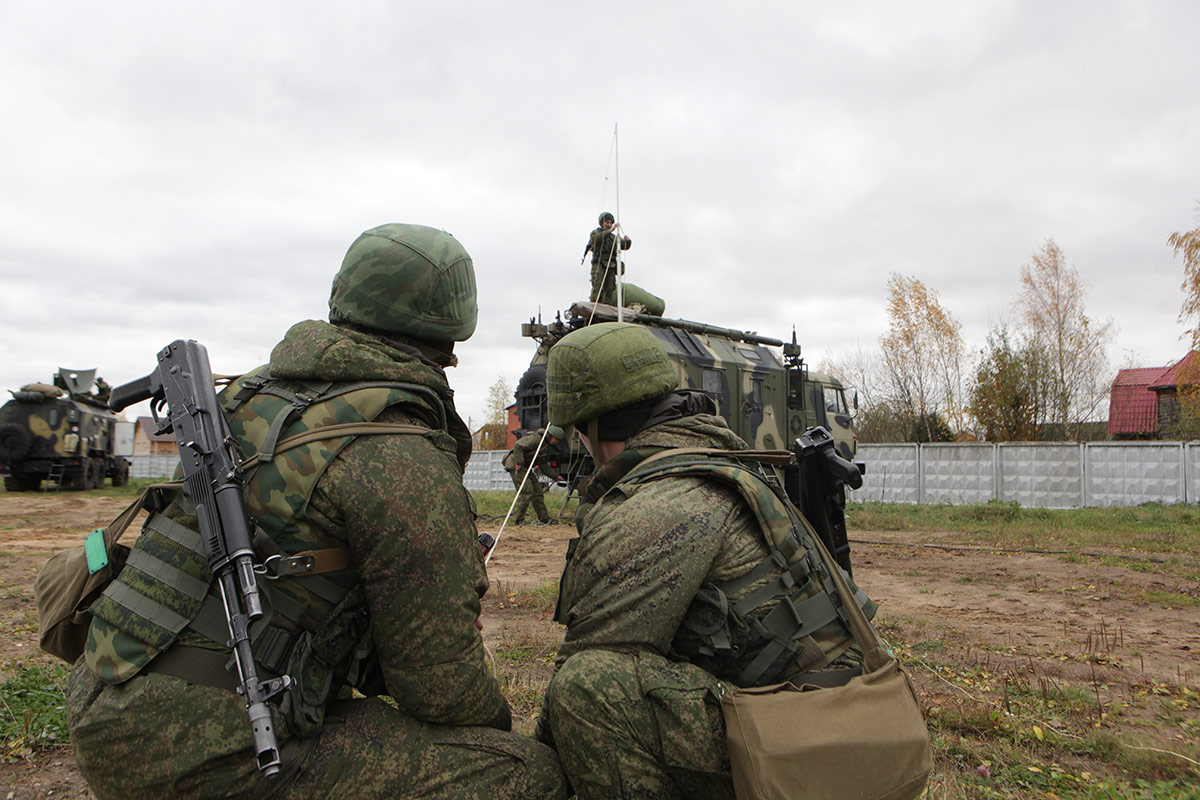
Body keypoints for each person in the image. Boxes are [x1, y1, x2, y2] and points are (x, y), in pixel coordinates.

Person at [66, 224, 569, 800]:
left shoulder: (246, 396)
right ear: (455, 322)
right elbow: (441, 687)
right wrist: (492, 735)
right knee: (525, 774)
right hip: (209, 747)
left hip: (104, 693)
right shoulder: (398, 450)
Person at [535, 321, 875, 800]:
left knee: (585, 690)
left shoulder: (657, 504)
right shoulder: (726, 460)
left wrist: (529, 776)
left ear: (589, 428)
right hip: (846, 724)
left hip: (810, 751)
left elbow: (585, 659)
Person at [503, 425, 563, 524]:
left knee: (538, 491)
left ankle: (544, 518)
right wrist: (519, 462)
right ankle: (519, 520)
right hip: (516, 465)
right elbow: (518, 445)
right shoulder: (536, 439)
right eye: (555, 439)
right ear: (550, 435)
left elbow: (543, 465)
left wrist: (555, 476)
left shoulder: (546, 446)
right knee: (527, 491)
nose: (556, 442)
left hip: (525, 467)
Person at [581, 211, 631, 305]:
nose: (608, 225)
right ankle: (594, 305)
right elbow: (596, 239)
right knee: (597, 285)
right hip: (599, 263)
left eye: (610, 223)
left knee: (610, 287)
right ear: (602, 223)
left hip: (611, 265)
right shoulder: (596, 233)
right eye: (606, 222)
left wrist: (628, 241)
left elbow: (624, 246)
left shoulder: (613, 238)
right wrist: (609, 231)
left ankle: (606, 306)